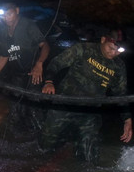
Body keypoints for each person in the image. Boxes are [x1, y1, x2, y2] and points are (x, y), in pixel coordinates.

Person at [40, 29, 132, 164]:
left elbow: (121, 94)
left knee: (89, 158)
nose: (113, 53)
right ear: (102, 40)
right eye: (110, 48)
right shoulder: (83, 49)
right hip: (64, 104)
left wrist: (128, 119)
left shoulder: (119, 66)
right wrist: (48, 82)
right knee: (45, 145)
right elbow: (56, 63)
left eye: (118, 51)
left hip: (90, 112)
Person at [0, 2, 50, 138]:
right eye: (4, 16)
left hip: (32, 73)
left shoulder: (28, 25)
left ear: (16, 11)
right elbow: (4, 56)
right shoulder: (4, 32)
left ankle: (40, 137)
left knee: (34, 106)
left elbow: (45, 45)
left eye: (9, 14)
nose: (6, 18)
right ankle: (16, 136)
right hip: (16, 75)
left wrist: (39, 64)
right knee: (15, 106)